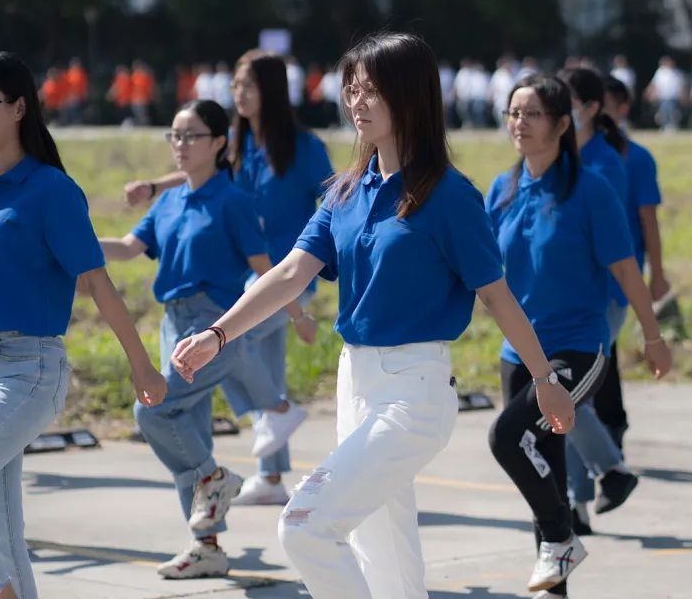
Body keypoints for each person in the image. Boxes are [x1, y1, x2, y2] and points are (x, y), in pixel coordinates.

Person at [170, 32, 575, 599]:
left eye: (372, 91)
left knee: (306, 525)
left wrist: (544, 379)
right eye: (352, 89)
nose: (357, 103)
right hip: (353, 382)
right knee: (383, 551)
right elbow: (288, 275)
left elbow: (498, 296)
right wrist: (217, 334)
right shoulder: (345, 192)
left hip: (414, 391)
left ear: (409, 97)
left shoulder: (450, 195)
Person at [0, 50, 166, 599]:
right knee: (1, 530)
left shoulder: (52, 191)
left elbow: (98, 283)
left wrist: (141, 364)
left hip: (28, 373)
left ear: (20, 107)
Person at [103, 98, 305, 578]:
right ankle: (207, 546)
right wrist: (72, 244)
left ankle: (215, 479)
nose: (180, 145)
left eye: (191, 135)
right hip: (171, 325)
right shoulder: (170, 200)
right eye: (174, 135)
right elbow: (129, 249)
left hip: (214, 327)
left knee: (151, 407)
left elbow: (267, 269)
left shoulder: (232, 201)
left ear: (219, 143)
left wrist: (298, 315)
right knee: (184, 436)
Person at [488, 73, 672, 598]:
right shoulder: (503, 188)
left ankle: (563, 536)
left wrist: (653, 336)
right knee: (542, 461)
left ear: (563, 123)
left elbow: (626, 271)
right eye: (513, 112)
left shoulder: (591, 188)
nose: (519, 123)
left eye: (533, 114)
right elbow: (478, 270)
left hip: (576, 346)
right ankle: (556, 584)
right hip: (518, 348)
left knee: (507, 436)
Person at [126, 50, 329, 507]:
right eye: (235, 85)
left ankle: (278, 413)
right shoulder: (236, 145)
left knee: (230, 341)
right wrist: (154, 188)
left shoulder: (303, 147)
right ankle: (273, 475)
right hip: (245, 279)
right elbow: (195, 170)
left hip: (288, 277)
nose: (238, 93)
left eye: (248, 85)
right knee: (264, 363)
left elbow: (337, 195)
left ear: (271, 91)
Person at [559, 67, 669, 535]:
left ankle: (605, 475)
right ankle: (583, 499)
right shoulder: (553, 160)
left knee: (562, 395)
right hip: (556, 300)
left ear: (589, 108)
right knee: (562, 396)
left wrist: (655, 280)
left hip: (601, 297)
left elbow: (629, 236)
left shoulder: (609, 164)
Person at [596, 75, 671, 450]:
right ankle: (607, 432)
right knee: (596, 355)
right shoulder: (567, 156)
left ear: (621, 108)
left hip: (617, 277)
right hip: (578, 277)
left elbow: (648, 219)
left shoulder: (635, 158)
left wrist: (657, 273)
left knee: (596, 355)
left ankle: (609, 435)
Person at [645, 56, 684, 131]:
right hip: (663, 96)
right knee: (663, 112)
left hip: (673, 96)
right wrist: (649, 92)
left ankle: (671, 125)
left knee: (672, 111)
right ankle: (665, 125)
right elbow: (654, 84)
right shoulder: (660, 72)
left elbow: (680, 86)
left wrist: (682, 95)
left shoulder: (677, 73)